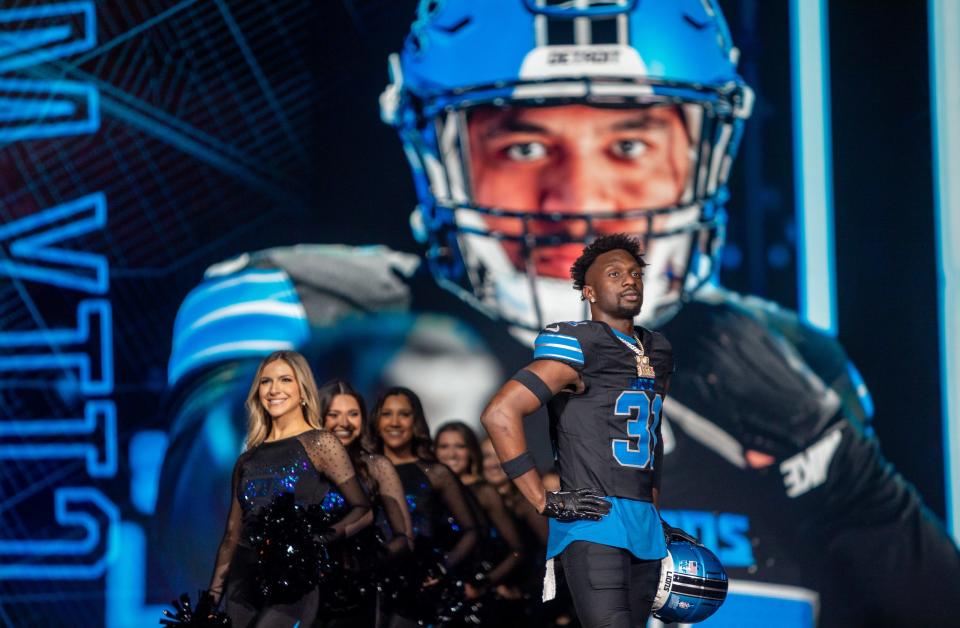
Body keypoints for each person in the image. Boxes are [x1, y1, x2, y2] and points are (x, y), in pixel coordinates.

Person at [157, 1, 960, 625]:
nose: (580, 201)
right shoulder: (301, 304)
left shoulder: (787, 362)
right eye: (526, 148)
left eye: (630, 145)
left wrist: (848, 483)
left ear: (700, 153)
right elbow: (203, 543)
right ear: (443, 153)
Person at [480, 233, 672, 626]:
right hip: (596, 522)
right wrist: (542, 499)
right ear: (589, 291)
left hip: (645, 528)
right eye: (615, 273)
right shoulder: (578, 343)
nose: (630, 280)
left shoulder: (658, 350)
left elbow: (653, 432)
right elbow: (500, 413)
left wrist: (654, 510)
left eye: (635, 273)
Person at [206, 351, 371, 628]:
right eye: (265, 382)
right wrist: (211, 599)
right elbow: (231, 536)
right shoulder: (247, 459)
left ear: (302, 389)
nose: (274, 389)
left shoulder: (320, 443)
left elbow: (363, 510)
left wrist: (319, 540)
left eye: (285, 380)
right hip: (242, 585)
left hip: (294, 582)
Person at [367, 387, 478, 625]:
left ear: (415, 421)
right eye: (387, 414)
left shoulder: (436, 473)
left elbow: (471, 529)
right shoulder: (363, 469)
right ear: (376, 421)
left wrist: (442, 566)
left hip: (414, 586)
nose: (395, 422)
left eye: (404, 414)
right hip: (368, 581)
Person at [317, 379, 413, 626]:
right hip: (310, 587)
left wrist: (370, 564)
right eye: (333, 415)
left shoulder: (377, 467)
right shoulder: (305, 467)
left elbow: (404, 537)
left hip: (359, 592)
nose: (344, 423)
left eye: (353, 414)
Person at [434, 421, 525, 608]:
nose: (451, 453)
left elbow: (517, 550)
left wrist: (482, 585)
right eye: (444, 446)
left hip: (474, 598)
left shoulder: (484, 492)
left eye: (459, 446)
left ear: (471, 452)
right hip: (439, 590)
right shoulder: (432, 490)